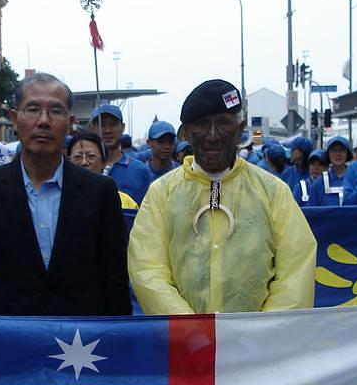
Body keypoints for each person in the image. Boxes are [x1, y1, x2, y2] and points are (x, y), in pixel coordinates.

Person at [0, 73, 131, 316]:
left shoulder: (101, 191)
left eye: (55, 111)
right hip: (8, 340)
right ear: (14, 118)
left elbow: (115, 280)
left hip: (83, 344)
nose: (43, 121)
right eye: (32, 109)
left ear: (70, 122)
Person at [128, 79, 317, 314]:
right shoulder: (161, 193)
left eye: (224, 124)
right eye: (202, 124)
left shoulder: (273, 191)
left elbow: (296, 270)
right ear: (186, 133)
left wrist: (263, 333)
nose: (213, 135)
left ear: (240, 130)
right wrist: (193, 331)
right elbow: (148, 269)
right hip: (185, 345)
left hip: (258, 345)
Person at [90, 103, 152, 204]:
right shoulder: (84, 169)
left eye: (113, 124)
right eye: (102, 124)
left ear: (123, 127)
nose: (108, 130)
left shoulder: (141, 171)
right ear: (93, 128)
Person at [67, 130, 139, 209]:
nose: (84, 162)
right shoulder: (59, 199)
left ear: (104, 162)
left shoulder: (125, 202)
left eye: (91, 156)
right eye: (77, 157)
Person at [308, 136, 353, 206]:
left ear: (348, 153)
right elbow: (312, 212)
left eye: (342, 150)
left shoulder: (356, 178)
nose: (338, 154)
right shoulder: (319, 184)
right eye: (333, 150)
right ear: (328, 154)